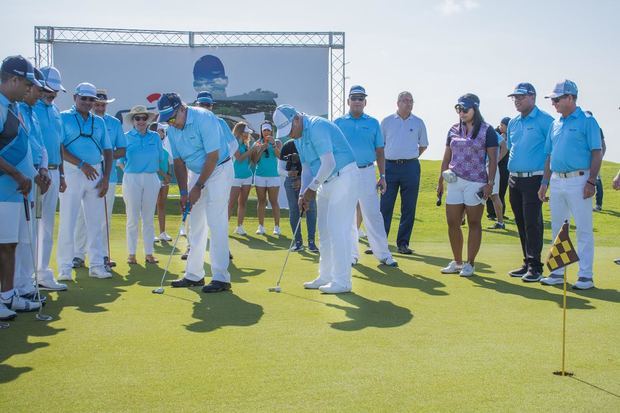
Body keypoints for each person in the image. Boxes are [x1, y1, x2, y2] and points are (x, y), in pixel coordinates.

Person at [273, 104, 358, 294]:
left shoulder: (317, 126)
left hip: (344, 177)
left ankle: (343, 281)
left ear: (296, 118)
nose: (290, 135)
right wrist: (303, 192)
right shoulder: (299, 138)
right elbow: (308, 168)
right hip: (325, 181)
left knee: (338, 229)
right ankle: (325, 276)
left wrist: (311, 189)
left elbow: (329, 163)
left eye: (290, 130)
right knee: (324, 231)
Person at [158, 92, 233, 293]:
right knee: (195, 223)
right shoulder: (172, 129)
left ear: (182, 108)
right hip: (195, 171)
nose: (171, 123)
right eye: (166, 120)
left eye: (172, 118)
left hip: (219, 169)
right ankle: (194, 275)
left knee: (216, 222)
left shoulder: (204, 118)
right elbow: (179, 162)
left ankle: (221, 277)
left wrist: (198, 187)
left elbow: (212, 156)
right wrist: (184, 192)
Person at [538, 80, 602, 290]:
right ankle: (557, 272)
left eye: (557, 99)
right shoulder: (555, 124)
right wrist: (544, 182)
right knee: (558, 228)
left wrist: (592, 181)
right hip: (557, 180)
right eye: (553, 99)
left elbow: (596, 152)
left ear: (570, 98)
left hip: (580, 179)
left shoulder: (587, 121)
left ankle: (586, 275)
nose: (553, 103)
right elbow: (548, 155)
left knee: (583, 229)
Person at [334, 85, 397, 267]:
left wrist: (383, 175)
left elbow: (379, 150)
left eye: (361, 98)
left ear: (365, 102)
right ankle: (352, 255)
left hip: (368, 171)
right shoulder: (338, 123)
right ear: (348, 101)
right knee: (348, 215)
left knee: (372, 214)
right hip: (345, 172)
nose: (357, 101)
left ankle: (383, 255)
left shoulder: (373, 123)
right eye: (354, 98)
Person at [56, 82, 113, 281]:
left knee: (96, 223)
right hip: (73, 172)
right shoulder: (63, 118)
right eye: (84, 98)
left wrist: (105, 178)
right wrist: (81, 164)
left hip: (96, 174)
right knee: (68, 222)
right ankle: (64, 267)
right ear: (75, 98)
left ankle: (97, 265)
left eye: (91, 99)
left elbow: (108, 150)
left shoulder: (99, 122)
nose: (88, 102)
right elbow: (59, 147)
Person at [437, 94, 498, 277]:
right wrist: (440, 181)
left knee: (473, 222)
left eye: (465, 109)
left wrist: (490, 183)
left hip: (476, 181)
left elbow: (493, 159)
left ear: (475, 109)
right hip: (454, 180)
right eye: (459, 109)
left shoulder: (488, 131)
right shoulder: (453, 129)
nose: (461, 113)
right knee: (452, 222)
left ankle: (470, 263)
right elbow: (447, 157)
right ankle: (457, 262)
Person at [0, 55, 42, 319]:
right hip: (5, 189)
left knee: (10, 244)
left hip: (14, 190)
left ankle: (8, 296)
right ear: (13, 79)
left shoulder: (11, 106)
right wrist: (17, 174)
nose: (29, 89)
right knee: (3, 246)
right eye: (26, 84)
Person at [505, 82, 554, 282]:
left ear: (532, 97)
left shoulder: (546, 120)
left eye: (521, 97)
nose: (517, 100)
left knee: (533, 222)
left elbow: (550, 152)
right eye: (514, 97)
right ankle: (527, 261)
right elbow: (511, 147)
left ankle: (536, 266)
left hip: (534, 178)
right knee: (521, 221)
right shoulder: (513, 122)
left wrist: (545, 181)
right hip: (514, 178)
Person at [73, 89, 126, 271]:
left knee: (103, 217)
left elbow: (121, 150)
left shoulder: (114, 123)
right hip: (84, 174)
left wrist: (103, 158)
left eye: (103, 104)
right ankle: (78, 254)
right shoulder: (83, 120)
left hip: (107, 178)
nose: (100, 107)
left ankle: (102, 254)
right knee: (82, 216)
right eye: (97, 104)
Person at [13, 68, 52, 302]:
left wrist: (44, 169)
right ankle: (15, 287)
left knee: (29, 235)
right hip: (21, 178)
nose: (39, 93)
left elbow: (41, 146)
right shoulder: (15, 110)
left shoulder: (32, 112)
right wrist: (33, 172)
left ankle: (25, 283)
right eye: (37, 89)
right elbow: (22, 148)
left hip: (37, 175)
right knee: (18, 236)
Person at [380, 91, 428, 254]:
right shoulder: (387, 121)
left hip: (410, 167)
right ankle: (380, 243)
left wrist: (408, 157)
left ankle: (403, 243)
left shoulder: (418, 122)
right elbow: (380, 146)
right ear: (398, 103)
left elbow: (423, 145)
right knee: (385, 206)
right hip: (390, 167)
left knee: (408, 207)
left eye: (411, 101)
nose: (408, 103)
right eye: (405, 100)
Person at [33, 66, 68, 291]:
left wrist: (62, 173)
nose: (52, 94)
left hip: (54, 171)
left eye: (55, 91)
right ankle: (27, 277)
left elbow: (58, 144)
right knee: (32, 226)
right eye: (48, 89)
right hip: (37, 172)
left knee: (47, 225)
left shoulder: (55, 109)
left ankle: (43, 273)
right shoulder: (30, 107)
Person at [118, 106, 166, 264]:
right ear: (132, 121)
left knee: (148, 218)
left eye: (143, 118)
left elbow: (159, 159)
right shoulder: (125, 137)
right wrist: (132, 173)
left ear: (148, 120)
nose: (140, 121)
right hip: (132, 178)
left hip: (151, 178)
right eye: (137, 118)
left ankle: (149, 253)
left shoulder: (155, 138)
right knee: (132, 217)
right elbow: (120, 162)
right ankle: (131, 254)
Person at [277, 137, 318, 252]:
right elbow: (279, 169)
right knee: (294, 210)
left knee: (311, 209)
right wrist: (288, 173)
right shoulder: (287, 146)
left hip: (308, 180)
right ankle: (298, 242)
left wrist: (302, 181)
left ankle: (311, 242)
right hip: (291, 181)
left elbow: (313, 166)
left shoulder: (310, 143)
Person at [251, 121, 282, 235]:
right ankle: (261, 226)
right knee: (261, 201)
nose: (266, 132)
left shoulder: (277, 142)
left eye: (268, 130)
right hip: (260, 176)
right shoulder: (257, 143)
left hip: (273, 176)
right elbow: (254, 160)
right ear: (261, 131)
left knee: (274, 201)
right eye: (264, 130)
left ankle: (277, 227)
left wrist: (273, 145)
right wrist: (262, 149)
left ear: (271, 131)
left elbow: (280, 156)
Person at [229, 122, 253, 235]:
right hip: (235, 177)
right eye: (245, 132)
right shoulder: (234, 142)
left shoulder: (246, 143)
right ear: (240, 131)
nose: (246, 134)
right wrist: (251, 151)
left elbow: (249, 159)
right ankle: (223, 227)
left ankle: (240, 227)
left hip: (247, 176)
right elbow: (239, 158)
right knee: (231, 203)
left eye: (247, 133)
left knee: (242, 203)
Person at [151, 122, 174, 242]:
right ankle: (151, 233)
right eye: (161, 131)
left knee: (162, 206)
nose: (163, 133)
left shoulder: (165, 146)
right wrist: (164, 175)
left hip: (165, 180)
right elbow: (154, 165)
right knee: (150, 207)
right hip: (153, 179)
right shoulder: (151, 146)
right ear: (155, 131)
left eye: (163, 131)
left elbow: (169, 163)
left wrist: (169, 175)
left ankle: (162, 233)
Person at [486, 117, 510, 222]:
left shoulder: (491, 131)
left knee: (498, 193)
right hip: (485, 166)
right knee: (486, 192)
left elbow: (505, 147)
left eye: (503, 125)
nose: (501, 127)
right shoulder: (493, 132)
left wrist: (496, 160)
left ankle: (500, 218)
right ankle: (491, 213)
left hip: (498, 166)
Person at [584, 111, 606, 212]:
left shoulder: (597, 128)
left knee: (597, 181)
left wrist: (598, 159)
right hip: (584, 162)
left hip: (594, 161)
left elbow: (603, 146)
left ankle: (598, 204)